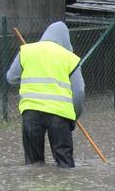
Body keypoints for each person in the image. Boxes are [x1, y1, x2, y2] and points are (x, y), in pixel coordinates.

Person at [6, 21, 85, 168]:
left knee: (33, 165)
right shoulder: (70, 58)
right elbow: (79, 92)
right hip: (60, 116)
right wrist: (74, 116)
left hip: (30, 113)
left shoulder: (27, 51)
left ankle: (34, 189)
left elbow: (11, 78)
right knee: (65, 165)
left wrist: (30, 71)